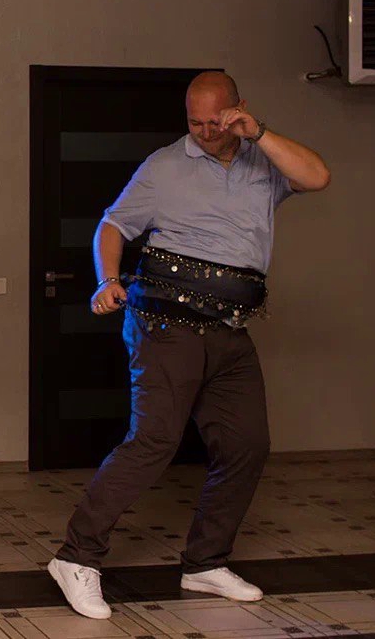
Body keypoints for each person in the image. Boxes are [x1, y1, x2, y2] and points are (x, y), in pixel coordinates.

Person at [48, 72, 331, 620]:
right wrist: (108, 279)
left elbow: (318, 176)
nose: (204, 132)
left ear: (239, 110)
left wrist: (260, 134)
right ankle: (75, 557)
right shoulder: (164, 166)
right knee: (153, 440)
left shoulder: (263, 161)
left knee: (247, 444)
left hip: (229, 330)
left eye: (215, 121)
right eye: (194, 122)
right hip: (164, 325)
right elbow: (113, 225)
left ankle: (205, 562)